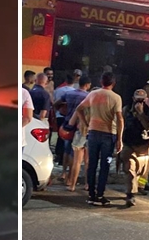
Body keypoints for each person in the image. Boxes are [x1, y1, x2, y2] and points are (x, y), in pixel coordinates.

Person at [73, 72, 123, 205]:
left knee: (92, 165)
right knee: (105, 165)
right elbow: (119, 118)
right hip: (108, 134)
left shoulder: (93, 94)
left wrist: (86, 123)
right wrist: (119, 138)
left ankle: (91, 195)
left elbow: (79, 109)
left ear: (101, 81)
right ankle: (100, 195)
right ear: (113, 83)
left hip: (93, 133)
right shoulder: (116, 98)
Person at [118, 89, 149, 207]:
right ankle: (130, 195)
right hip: (128, 144)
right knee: (130, 170)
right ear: (133, 99)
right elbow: (120, 125)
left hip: (142, 146)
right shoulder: (126, 109)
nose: (139, 102)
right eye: (137, 99)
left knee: (140, 171)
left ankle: (136, 188)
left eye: (142, 100)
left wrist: (141, 114)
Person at [63, 76, 92, 191]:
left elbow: (71, 122)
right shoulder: (97, 108)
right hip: (92, 134)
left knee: (77, 162)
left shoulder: (81, 107)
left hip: (80, 133)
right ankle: (87, 184)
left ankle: (72, 185)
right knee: (88, 162)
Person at [52, 74, 75, 164]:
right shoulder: (73, 92)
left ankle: (59, 154)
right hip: (70, 117)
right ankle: (65, 157)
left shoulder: (58, 90)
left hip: (59, 116)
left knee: (59, 136)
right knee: (68, 137)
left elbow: (54, 103)